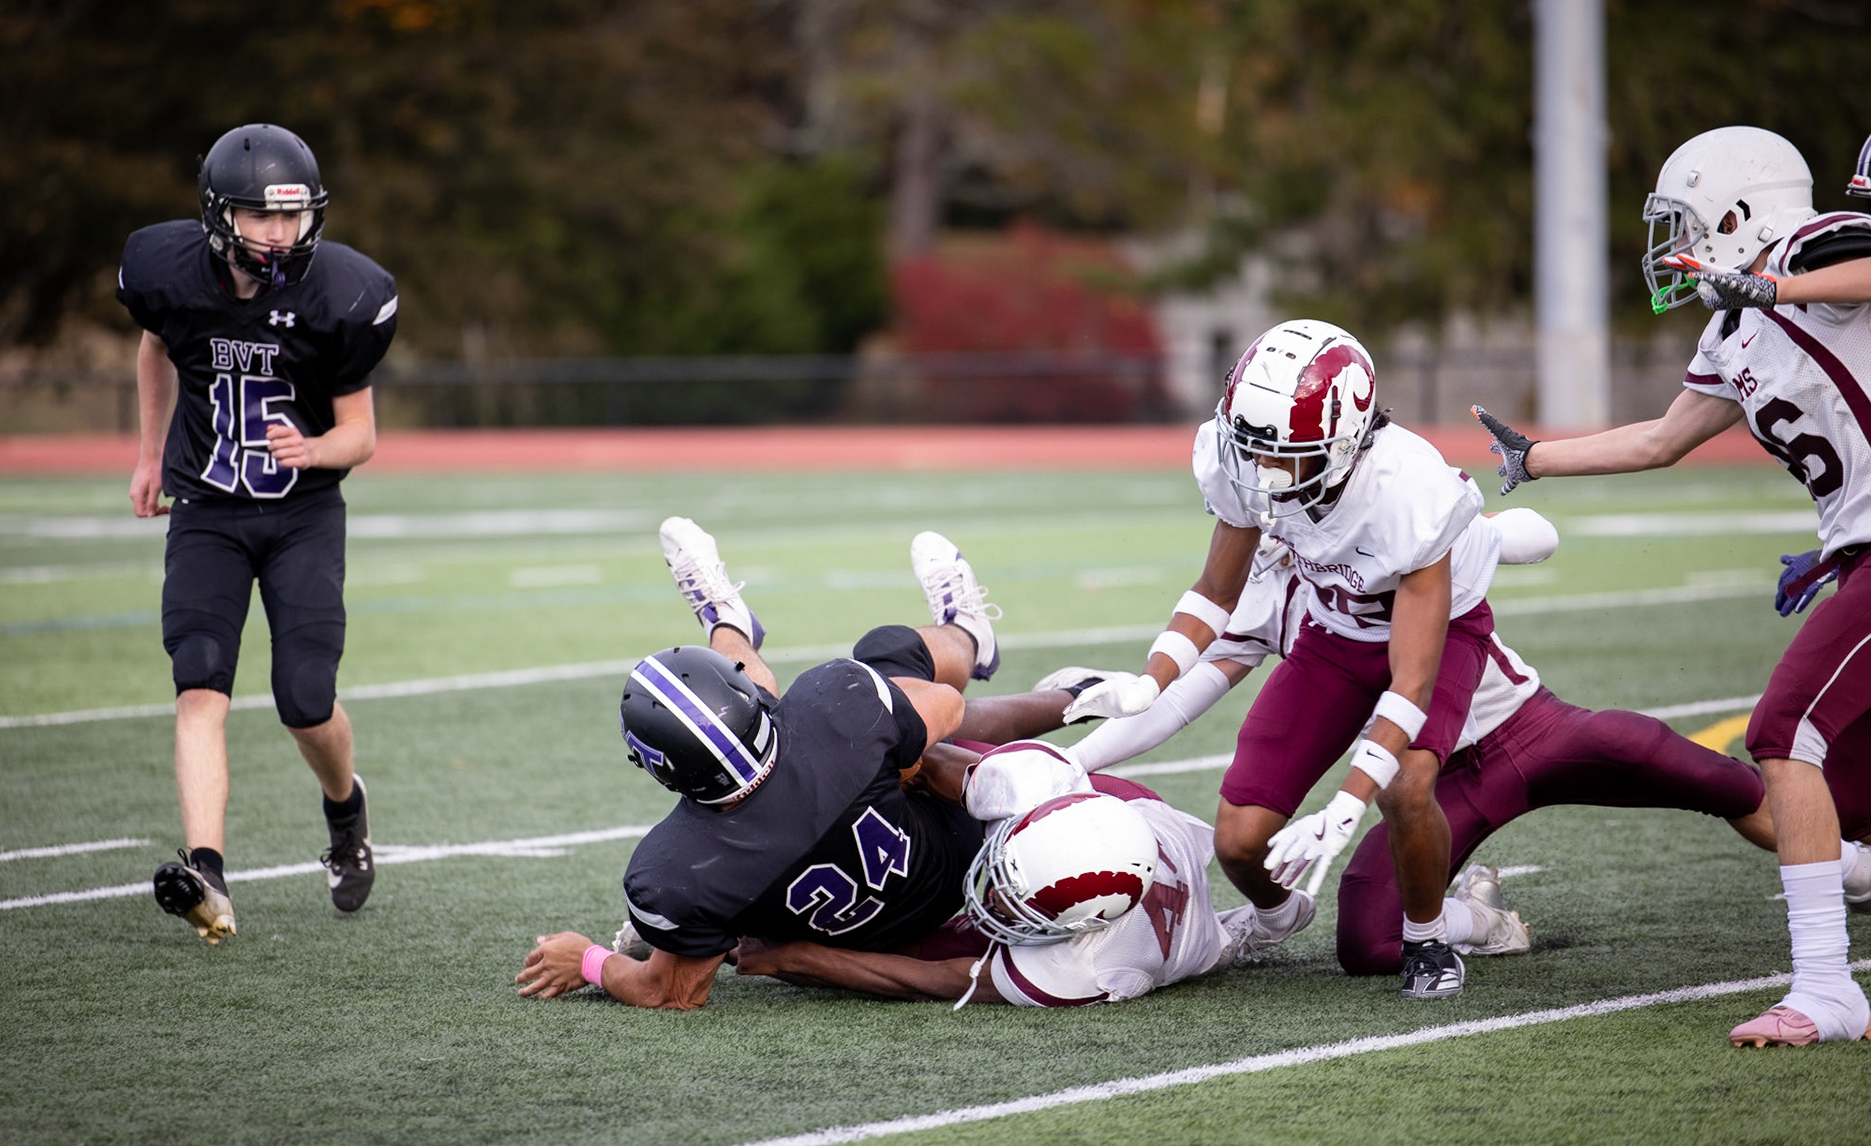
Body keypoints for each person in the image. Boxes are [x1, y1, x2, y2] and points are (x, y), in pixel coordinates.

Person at [1047, 513, 1841, 975]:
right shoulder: (1267, 584)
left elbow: (1530, 534)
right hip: (1423, 785)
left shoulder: (1387, 524)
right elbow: (1188, 691)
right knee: (1366, 942)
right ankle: (1477, 919)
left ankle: (1849, 865)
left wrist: (1484, 532)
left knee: (1694, 769)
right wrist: (1078, 756)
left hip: (1525, 727)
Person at [1474, 125, 1871, 1047]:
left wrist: (1778, 283)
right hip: (1856, 555)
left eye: (1688, 222)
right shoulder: (1733, 325)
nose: (1675, 244)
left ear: (1739, 212)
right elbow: (1661, 437)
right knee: (1845, 792)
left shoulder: (1807, 251)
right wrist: (1536, 458)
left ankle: (1826, 987)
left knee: (1784, 733)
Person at [1064, 319, 1502, 1000]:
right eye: (1253, 448)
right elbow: (1215, 592)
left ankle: (1428, 935)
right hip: (1333, 628)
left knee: (1405, 784)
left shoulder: (1407, 489)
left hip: (1435, 635)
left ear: (1347, 438)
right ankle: (1280, 914)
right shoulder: (1252, 460)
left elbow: (1411, 680)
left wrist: (1346, 803)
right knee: (1240, 841)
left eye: (1286, 454)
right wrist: (1148, 680)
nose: (1263, 470)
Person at [515, 518, 1001, 1009]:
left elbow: (672, 992)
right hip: (958, 860)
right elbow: (949, 706)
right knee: (888, 652)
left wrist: (587, 960)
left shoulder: (673, 870)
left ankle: (727, 621)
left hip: (855, 946)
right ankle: (968, 633)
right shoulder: (837, 702)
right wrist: (891, 765)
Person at [118, 124, 397, 943]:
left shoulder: (340, 295)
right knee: (199, 683)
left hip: (301, 513)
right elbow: (154, 348)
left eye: (292, 217)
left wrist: (313, 450)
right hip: (207, 505)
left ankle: (346, 811)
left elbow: (363, 434)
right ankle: (207, 867)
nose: (279, 234)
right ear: (217, 215)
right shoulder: (169, 275)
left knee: (305, 702)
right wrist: (147, 455)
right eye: (259, 217)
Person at [733, 756, 1244, 1007]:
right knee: (936, 746)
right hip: (1129, 810)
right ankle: (967, 638)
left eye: (1014, 897)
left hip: (1156, 929)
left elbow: (943, 980)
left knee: (903, 947)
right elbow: (927, 757)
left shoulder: (1085, 967)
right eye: (1004, 877)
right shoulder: (1054, 788)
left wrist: (792, 957)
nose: (994, 897)